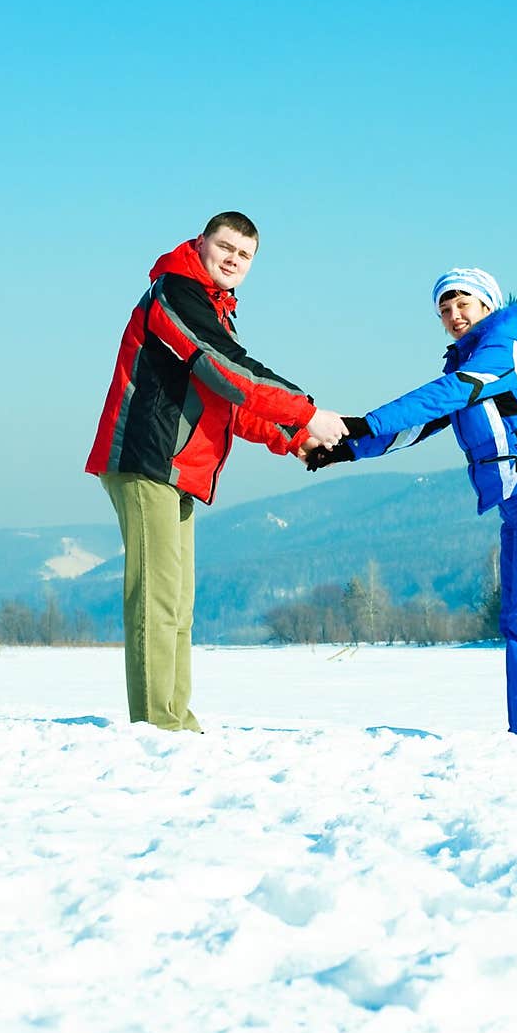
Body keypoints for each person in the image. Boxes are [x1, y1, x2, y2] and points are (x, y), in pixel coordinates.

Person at [86, 211, 347, 732]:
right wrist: (307, 411)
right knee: (157, 599)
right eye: (225, 246)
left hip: (178, 467)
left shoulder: (210, 307)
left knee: (178, 602)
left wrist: (293, 439)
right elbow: (226, 367)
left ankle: (175, 718)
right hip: (147, 459)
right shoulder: (177, 292)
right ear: (202, 243)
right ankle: (158, 724)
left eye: (244, 254)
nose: (233, 259)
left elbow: (227, 401)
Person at [306, 267, 517, 738]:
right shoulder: (467, 364)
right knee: (514, 617)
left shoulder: (502, 349)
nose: (454, 316)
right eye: (445, 310)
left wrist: (361, 422)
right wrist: (345, 447)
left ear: (487, 306)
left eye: (463, 305)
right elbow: (416, 426)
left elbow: (449, 394)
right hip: (515, 504)